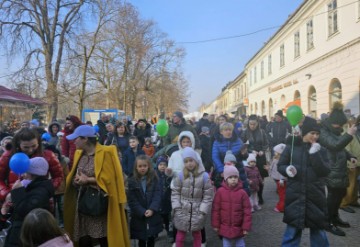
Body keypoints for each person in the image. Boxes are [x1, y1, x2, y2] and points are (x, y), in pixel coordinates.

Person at [63, 125, 130, 247]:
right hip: (83, 204)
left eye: (76, 138)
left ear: (85, 139)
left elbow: (109, 180)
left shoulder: (106, 153)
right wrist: (76, 180)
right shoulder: (80, 154)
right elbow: (75, 173)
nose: (73, 141)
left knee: (103, 238)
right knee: (84, 237)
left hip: (100, 205)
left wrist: (88, 180)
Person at [278, 116, 331, 246]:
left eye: (317, 134)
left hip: (315, 195)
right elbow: (281, 165)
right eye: (312, 133)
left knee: (318, 231)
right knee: (292, 232)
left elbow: (324, 171)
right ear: (304, 133)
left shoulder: (321, 150)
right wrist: (287, 169)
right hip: (295, 195)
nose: (315, 136)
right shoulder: (291, 147)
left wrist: (315, 154)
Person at [318, 102, 357, 236]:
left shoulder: (335, 130)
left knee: (340, 194)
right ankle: (327, 222)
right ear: (332, 122)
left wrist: (349, 156)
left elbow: (341, 147)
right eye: (339, 124)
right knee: (333, 196)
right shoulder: (323, 131)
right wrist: (349, 134)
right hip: (330, 168)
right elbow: (334, 145)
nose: (341, 127)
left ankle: (335, 217)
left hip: (339, 168)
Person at [0, 128, 63, 203]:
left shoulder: (48, 155)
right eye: (26, 147)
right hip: (14, 200)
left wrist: (47, 189)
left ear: (38, 143)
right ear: (18, 144)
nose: (30, 150)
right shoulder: (8, 156)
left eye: (34, 146)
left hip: (40, 200)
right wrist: (7, 194)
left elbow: (58, 176)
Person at [3, 157, 55, 247]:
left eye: (26, 172)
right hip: (21, 231)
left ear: (32, 174)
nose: (24, 175)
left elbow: (24, 210)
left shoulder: (40, 191)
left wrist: (17, 191)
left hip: (26, 233)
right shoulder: (34, 186)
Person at [171, 147, 213, 247]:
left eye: (191, 160)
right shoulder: (180, 176)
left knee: (197, 234)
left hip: (197, 210)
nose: (189, 163)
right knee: (180, 235)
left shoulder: (204, 176)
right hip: (182, 209)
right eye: (186, 161)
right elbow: (175, 193)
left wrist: (202, 211)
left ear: (196, 160)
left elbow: (208, 195)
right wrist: (176, 207)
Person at [127, 155, 163, 247]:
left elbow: (157, 195)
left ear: (148, 166)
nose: (142, 168)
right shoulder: (132, 180)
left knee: (151, 237)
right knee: (141, 238)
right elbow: (132, 200)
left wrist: (152, 209)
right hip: (139, 215)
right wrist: (142, 211)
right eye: (140, 166)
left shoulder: (155, 178)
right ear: (136, 167)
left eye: (144, 166)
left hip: (152, 213)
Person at [211, 165, 251, 247]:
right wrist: (216, 225)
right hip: (224, 226)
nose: (233, 179)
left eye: (235, 177)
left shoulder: (242, 193)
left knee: (240, 244)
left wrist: (246, 227)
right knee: (226, 244)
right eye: (230, 177)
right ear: (226, 179)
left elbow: (247, 211)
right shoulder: (220, 192)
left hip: (238, 226)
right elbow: (216, 210)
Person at [241, 114, 269, 204]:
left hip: (261, 158)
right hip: (249, 157)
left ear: (257, 123)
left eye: (254, 124)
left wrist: (262, 150)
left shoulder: (262, 132)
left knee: (260, 177)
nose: (252, 126)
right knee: (250, 177)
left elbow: (266, 143)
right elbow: (242, 144)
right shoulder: (245, 132)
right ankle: (251, 196)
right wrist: (250, 150)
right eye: (250, 124)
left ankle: (260, 195)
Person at [212, 122, 245, 188]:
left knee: (240, 189)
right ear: (221, 132)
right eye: (226, 130)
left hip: (238, 168)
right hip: (222, 168)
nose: (228, 132)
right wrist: (221, 170)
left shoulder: (238, 141)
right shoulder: (217, 142)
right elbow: (215, 157)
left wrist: (244, 154)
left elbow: (243, 156)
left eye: (230, 130)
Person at [340, 115, 360, 212]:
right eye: (352, 120)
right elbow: (346, 148)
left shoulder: (354, 130)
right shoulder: (346, 131)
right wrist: (350, 163)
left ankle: (353, 200)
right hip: (352, 163)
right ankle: (344, 204)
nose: (355, 121)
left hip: (357, 161)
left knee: (355, 185)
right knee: (350, 185)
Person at [155, 155, 173, 241]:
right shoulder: (154, 176)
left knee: (167, 219)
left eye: (164, 164)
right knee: (156, 220)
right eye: (160, 164)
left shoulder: (169, 176)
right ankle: (155, 233)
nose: (162, 166)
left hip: (167, 202)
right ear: (157, 165)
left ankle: (169, 233)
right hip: (157, 203)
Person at [268, 143, 287, 213]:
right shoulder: (276, 158)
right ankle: (281, 205)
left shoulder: (282, 161)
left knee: (282, 194)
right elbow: (273, 167)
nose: (274, 153)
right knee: (281, 193)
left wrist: (282, 179)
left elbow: (283, 171)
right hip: (277, 178)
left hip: (280, 180)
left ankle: (281, 207)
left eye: (276, 152)